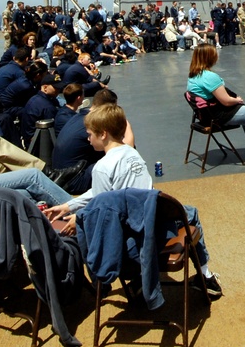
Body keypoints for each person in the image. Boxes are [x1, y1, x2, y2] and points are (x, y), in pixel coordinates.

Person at [45, 103, 223, 297]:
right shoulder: (132, 154)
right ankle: (205, 275)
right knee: (190, 213)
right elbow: (102, 195)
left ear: (103, 134)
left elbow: (100, 210)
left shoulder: (102, 168)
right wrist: (68, 205)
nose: (88, 139)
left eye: (90, 134)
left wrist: (77, 218)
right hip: (154, 224)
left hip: (132, 244)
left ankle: (116, 281)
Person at [186, 44, 245, 155]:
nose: (217, 57)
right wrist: (237, 100)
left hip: (206, 116)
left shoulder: (193, 76)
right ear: (209, 57)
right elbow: (226, 101)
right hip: (219, 116)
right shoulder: (210, 77)